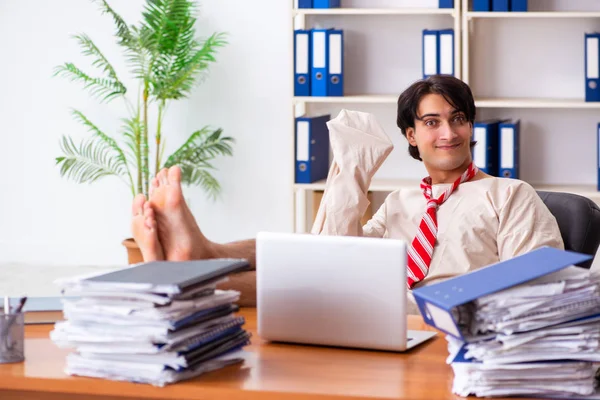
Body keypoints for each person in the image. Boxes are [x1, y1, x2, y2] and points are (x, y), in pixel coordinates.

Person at [131, 74, 564, 309]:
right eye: (432, 122)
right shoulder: (400, 203)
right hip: (378, 309)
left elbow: (539, 288)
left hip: (449, 315)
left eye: (458, 119)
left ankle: (188, 270)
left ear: (471, 126)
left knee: (315, 279)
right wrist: (351, 177)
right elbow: (334, 252)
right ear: (411, 136)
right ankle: (203, 253)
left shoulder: (510, 194)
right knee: (317, 260)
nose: (448, 133)